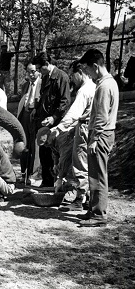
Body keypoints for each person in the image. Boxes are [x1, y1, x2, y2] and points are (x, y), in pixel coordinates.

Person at [77, 48, 119, 227]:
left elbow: (102, 116)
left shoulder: (104, 86)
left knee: (98, 175)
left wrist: (94, 139)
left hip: (100, 135)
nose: (86, 73)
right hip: (103, 133)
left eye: (87, 70)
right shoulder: (108, 83)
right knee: (94, 173)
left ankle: (99, 214)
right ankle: (94, 208)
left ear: (95, 66)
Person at [50, 60, 96, 212]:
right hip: (89, 128)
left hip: (84, 128)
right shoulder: (94, 87)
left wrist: (58, 128)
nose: (71, 79)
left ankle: (79, 199)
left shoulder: (84, 90)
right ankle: (88, 198)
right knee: (89, 165)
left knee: (81, 165)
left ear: (80, 72)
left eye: (72, 75)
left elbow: (74, 114)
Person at [31, 51, 71, 187]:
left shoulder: (62, 77)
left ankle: (58, 184)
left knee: (56, 155)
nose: (39, 72)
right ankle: (47, 182)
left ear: (47, 64)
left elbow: (65, 102)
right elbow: (43, 98)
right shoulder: (45, 78)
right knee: (44, 152)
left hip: (56, 125)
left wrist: (54, 118)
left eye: (40, 68)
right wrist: (36, 110)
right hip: (43, 123)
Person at [17, 62, 42, 185]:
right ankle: (23, 173)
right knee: (24, 145)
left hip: (35, 116)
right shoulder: (25, 85)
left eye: (33, 71)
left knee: (34, 146)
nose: (31, 74)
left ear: (38, 71)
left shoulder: (42, 84)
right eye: (28, 72)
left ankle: (33, 174)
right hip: (25, 116)